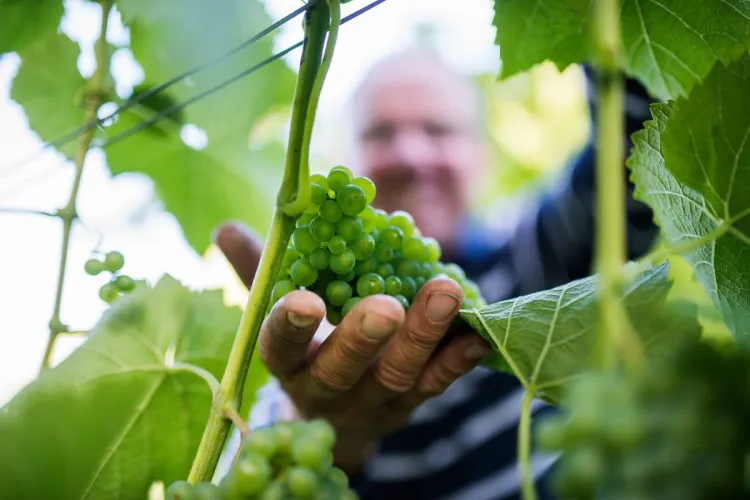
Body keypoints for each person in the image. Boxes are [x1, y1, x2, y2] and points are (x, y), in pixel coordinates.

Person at [213, 48, 658, 499]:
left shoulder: (537, 261)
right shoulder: (306, 357)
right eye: (381, 133)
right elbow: (245, 481)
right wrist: (323, 439)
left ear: (481, 154)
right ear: (348, 158)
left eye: (438, 129)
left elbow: (641, 145)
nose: (411, 153)